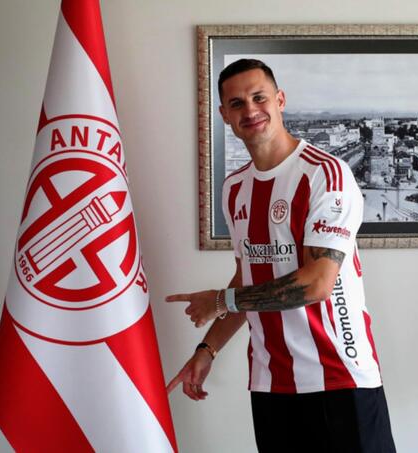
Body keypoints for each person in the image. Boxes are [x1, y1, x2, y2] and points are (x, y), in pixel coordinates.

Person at [166, 59, 396, 453]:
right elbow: (247, 278)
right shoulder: (234, 188)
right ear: (224, 115)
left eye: (259, 97)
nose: (250, 110)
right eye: (236, 103)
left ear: (280, 100)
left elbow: (318, 283)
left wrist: (221, 301)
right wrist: (208, 349)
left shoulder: (326, 174)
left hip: (340, 378)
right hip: (270, 382)